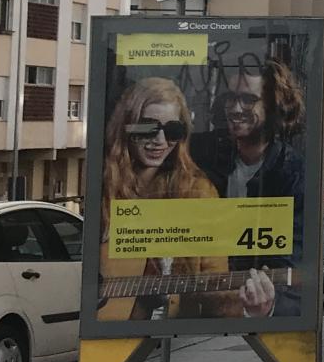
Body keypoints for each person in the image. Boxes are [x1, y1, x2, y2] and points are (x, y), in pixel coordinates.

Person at [97, 76, 274, 322]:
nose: (160, 142)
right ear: (126, 127)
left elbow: (214, 283)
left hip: (176, 335)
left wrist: (250, 309)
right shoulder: (102, 185)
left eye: (172, 131)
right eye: (148, 127)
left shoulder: (197, 192)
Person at [191, 54, 307, 315]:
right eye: (230, 98)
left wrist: (268, 305)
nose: (235, 109)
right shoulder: (204, 153)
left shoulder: (293, 174)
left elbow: (293, 271)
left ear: (275, 106)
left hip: (248, 308)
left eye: (248, 99)